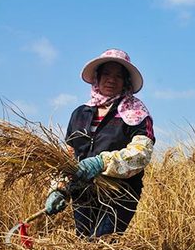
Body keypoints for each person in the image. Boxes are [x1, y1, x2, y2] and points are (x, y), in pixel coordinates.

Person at [45, 48, 155, 238]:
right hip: (83, 191)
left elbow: (141, 153)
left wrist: (100, 163)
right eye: (106, 74)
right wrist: (59, 189)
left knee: (102, 243)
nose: (111, 80)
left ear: (125, 82)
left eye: (118, 76)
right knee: (83, 244)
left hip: (119, 193)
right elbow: (69, 155)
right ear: (97, 77)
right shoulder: (80, 113)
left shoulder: (136, 113)